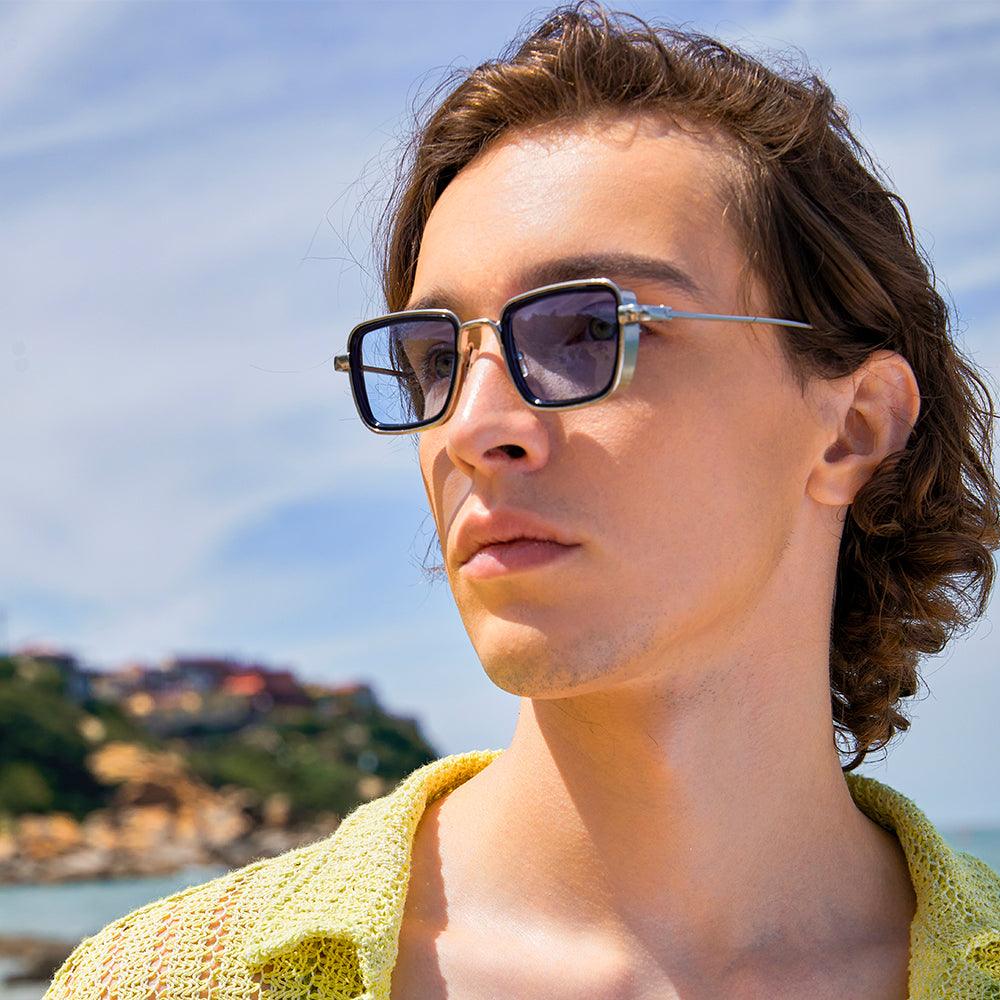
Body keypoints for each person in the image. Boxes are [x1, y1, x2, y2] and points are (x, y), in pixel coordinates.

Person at [45, 3, 1000, 999]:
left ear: (853, 428)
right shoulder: (158, 984)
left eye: (590, 331)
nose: (473, 424)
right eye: (435, 358)